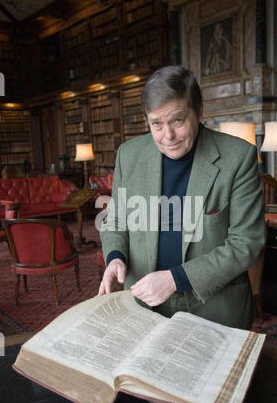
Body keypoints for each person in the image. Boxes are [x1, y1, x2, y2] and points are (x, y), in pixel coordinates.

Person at [98, 66, 265, 330]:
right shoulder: (128, 155)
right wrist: (115, 256)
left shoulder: (239, 157)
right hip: (142, 302)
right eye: (156, 124)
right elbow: (116, 220)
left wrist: (175, 279)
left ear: (198, 111)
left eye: (178, 120)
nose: (168, 136)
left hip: (214, 308)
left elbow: (246, 244)